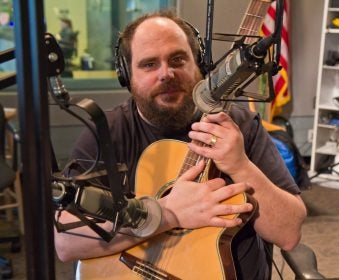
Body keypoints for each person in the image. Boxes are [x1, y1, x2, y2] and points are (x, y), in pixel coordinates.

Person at [54, 10, 307, 279]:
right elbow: (67, 244)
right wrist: (166, 215)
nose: (167, 74)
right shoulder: (107, 133)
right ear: (126, 76)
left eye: (178, 59)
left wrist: (240, 164)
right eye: (149, 64)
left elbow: (289, 234)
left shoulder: (240, 127)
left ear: (199, 65)